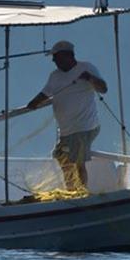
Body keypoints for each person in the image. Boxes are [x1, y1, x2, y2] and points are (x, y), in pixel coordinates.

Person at [26, 40, 107, 191]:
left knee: (77, 161)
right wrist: (33, 103)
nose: (54, 61)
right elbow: (46, 92)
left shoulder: (86, 67)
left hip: (84, 127)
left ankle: (81, 193)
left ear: (67, 56)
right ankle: (72, 190)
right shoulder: (55, 76)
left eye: (56, 57)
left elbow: (103, 88)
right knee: (61, 157)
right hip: (67, 130)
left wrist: (90, 78)